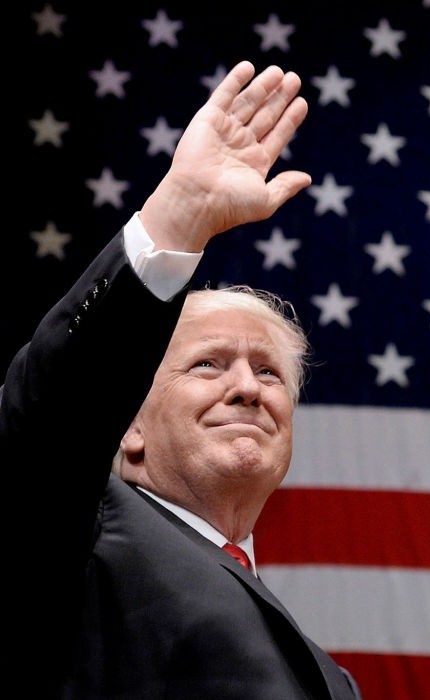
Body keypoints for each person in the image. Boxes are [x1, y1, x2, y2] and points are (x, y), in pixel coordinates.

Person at [1, 60, 361, 699]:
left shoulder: (333, 679)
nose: (248, 387)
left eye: (269, 372)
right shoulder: (80, 530)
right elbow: (52, 416)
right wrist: (183, 213)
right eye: (208, 364)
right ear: (129, 426)